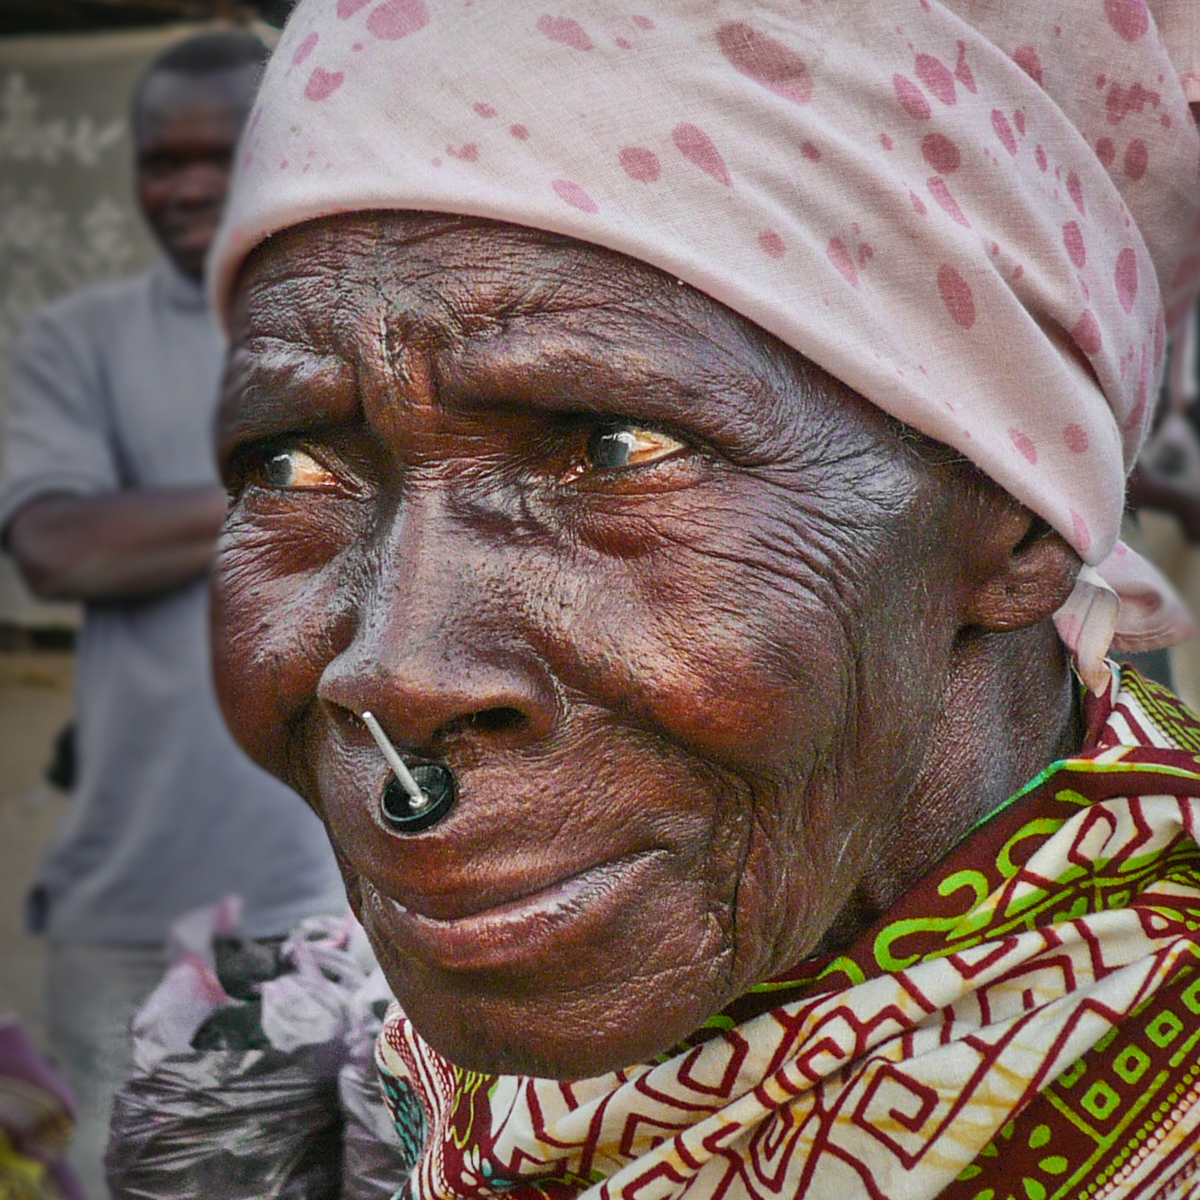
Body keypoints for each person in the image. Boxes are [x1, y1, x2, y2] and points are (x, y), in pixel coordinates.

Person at [208, 1, 1200, 1196]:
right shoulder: (457, 1088)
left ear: (1018, 521)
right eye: (292, 469)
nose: (395, 674)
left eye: (616, 450)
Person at [0, 30, 344, 1198]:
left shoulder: (372, 324)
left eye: (221, 151)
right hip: (138, 909)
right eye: (160, 159)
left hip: (354, 910)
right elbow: (59, 547)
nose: (186, 184)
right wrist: (309, 479)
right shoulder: (81, 342)